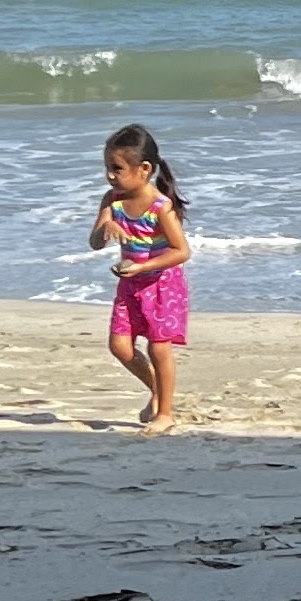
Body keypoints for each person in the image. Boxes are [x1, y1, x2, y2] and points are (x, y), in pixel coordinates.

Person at [91, 123, 193, 432]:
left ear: (144, 169)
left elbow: (181, 251)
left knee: (159, 348)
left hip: (162, 285)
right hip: (129, 285)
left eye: (117, 168)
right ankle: (157, 391)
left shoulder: (161, 207)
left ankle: (165, 413)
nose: (110, 175)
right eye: (107, 167)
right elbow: (95, 242)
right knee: (120, 347)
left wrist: (143, 267)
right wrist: (104, 229)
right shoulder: (112, 200)